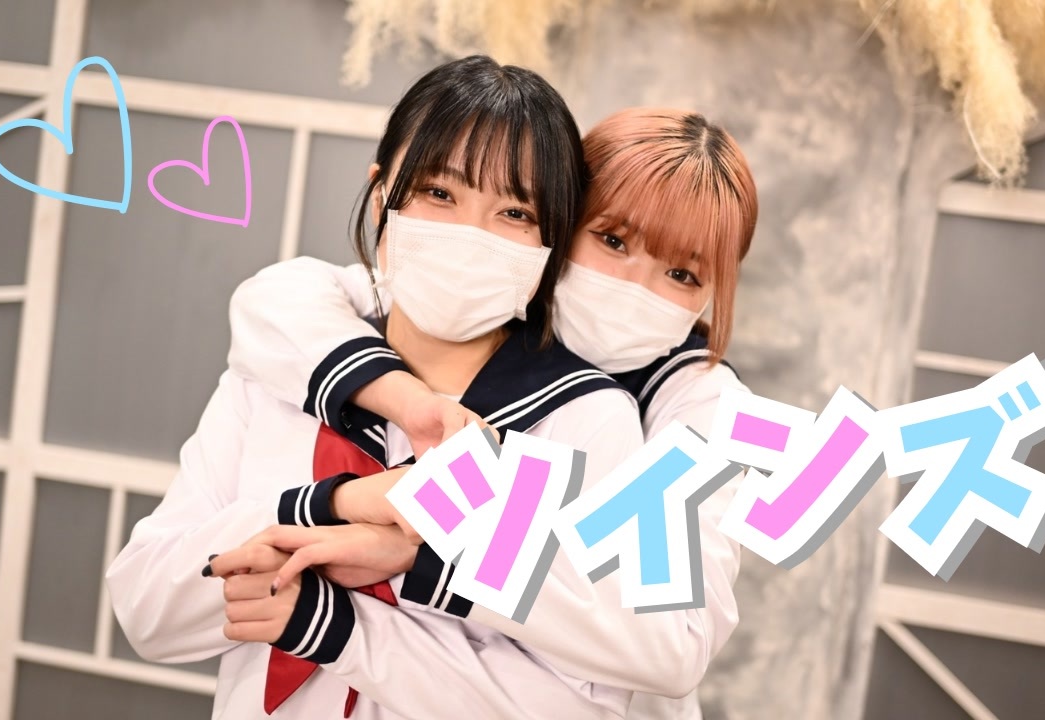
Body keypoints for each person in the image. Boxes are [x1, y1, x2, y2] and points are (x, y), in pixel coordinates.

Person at [222, 106, 759, 719]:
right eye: (612, 241)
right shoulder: (473, 308)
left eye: (683, 274)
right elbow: (279, 300)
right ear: (561, 221)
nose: (636, 286)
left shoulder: (701, 411)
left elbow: (671, 644)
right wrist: (404, 400)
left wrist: (424, 550)